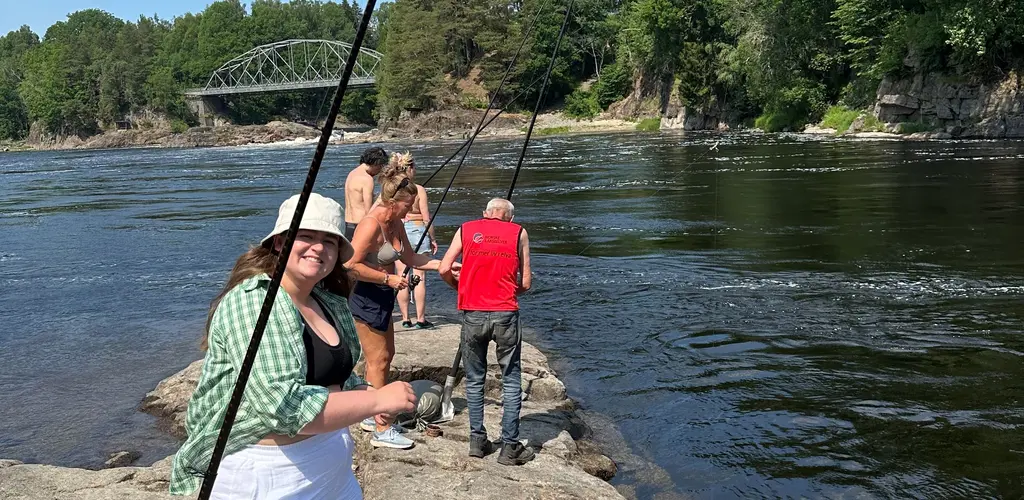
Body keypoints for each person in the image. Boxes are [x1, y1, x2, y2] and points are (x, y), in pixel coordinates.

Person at [170, 193, 417, 498]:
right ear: (279, 242)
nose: (318, 247)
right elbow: (284, 410)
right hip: (265, 475)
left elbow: (338, 377)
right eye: (306, 236)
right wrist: (376, 403)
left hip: (332, 468)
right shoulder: (254, 302)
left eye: (329, 241)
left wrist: (371, 393)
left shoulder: (328, 301)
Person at [344, 152, 450, 449]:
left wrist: (442, 264)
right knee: (377, 360)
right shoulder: (372, 224)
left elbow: (411, 257)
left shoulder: (395, 223)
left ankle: (369, 414)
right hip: (366, 296)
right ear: (393, 202)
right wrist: (387, 279)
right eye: (407, 205)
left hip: (383, 296)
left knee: (385, 356)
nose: (410, 209)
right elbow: (350, 264)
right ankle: (381, 428)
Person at [438, 197, 535, 465]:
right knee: (511, 378)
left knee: (475, 377)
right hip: (505, 313)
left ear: (486, 214)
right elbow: (525, 282)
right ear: (510, 218)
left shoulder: (466, 228)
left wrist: (460, 287)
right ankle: (510, 446)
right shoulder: (519, 233)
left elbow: (444, 268)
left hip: (473, 313)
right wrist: (503, 291)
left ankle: (477, 440)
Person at [393, 155, 438, 329]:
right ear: (410, 169)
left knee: (401, 275)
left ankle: (405, 318)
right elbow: (427, 218)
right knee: (420, 276)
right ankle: (420, 319)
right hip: (418, 230)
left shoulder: (393, 189)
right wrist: (432, 239)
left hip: (399, 230)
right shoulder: (419, 189)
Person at [344, 146, 389, 240]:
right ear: (377, 163)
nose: (380, 171)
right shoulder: (367, 179)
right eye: (381, 167)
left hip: (347, 224)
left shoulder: (352, 174)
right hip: (360, 224)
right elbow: (369, 210)